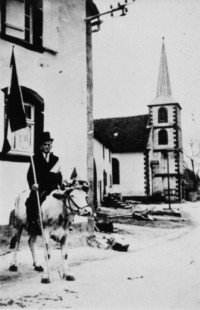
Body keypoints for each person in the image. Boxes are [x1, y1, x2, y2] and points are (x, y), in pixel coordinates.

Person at [26, 131, 62, 234]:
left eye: (49, 145)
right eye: (45, 145)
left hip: (53, 187)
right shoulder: (35, 159)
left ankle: (65, 222)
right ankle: (32, 224)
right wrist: (32, 185)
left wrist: (59, 184)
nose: (47, 147)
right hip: (40, 187)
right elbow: (29, 175)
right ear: (41, 146)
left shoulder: (56, 159)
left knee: (65, 200)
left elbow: (59, 174)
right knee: (30, 202)